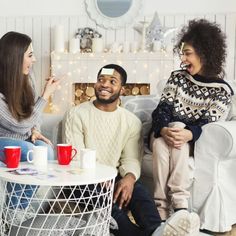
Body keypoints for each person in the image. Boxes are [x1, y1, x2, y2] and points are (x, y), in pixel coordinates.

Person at [63, 64, 200, 236]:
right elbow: (76, 156)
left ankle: (157, 230)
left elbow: (131, 159)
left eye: (112, 81)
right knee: (111, 207)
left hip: (113, 176)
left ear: (123, 89)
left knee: (139, 192)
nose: (104, 84)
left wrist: (129, 178)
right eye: (101, 80)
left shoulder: (131, 121)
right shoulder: (76, 114)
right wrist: (99, 176)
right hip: (82, 179)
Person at [150, 19, 234, 221]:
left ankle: (167, 208)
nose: (183, 58)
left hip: (192, 143)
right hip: (165, 134)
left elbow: (208, 123)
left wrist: (188, 133)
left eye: (187, 53)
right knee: (161, 143)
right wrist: (162, 130)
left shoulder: (221, 91)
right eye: (181, 53)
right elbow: (162, 110)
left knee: (178, 129)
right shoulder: (177, 78)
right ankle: (174, 208)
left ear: (204, 54)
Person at [0, 31, 59, 212]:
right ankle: (13, 213)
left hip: (24, 137)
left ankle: (19, 210)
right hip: (3, 140)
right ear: (15, 57)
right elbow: (18, 124)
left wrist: (35, 130)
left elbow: (32, 114)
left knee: (46, 151)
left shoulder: (27, 79)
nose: (34, 60)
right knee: (28, 150)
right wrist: (45, 96)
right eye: (30, 55)